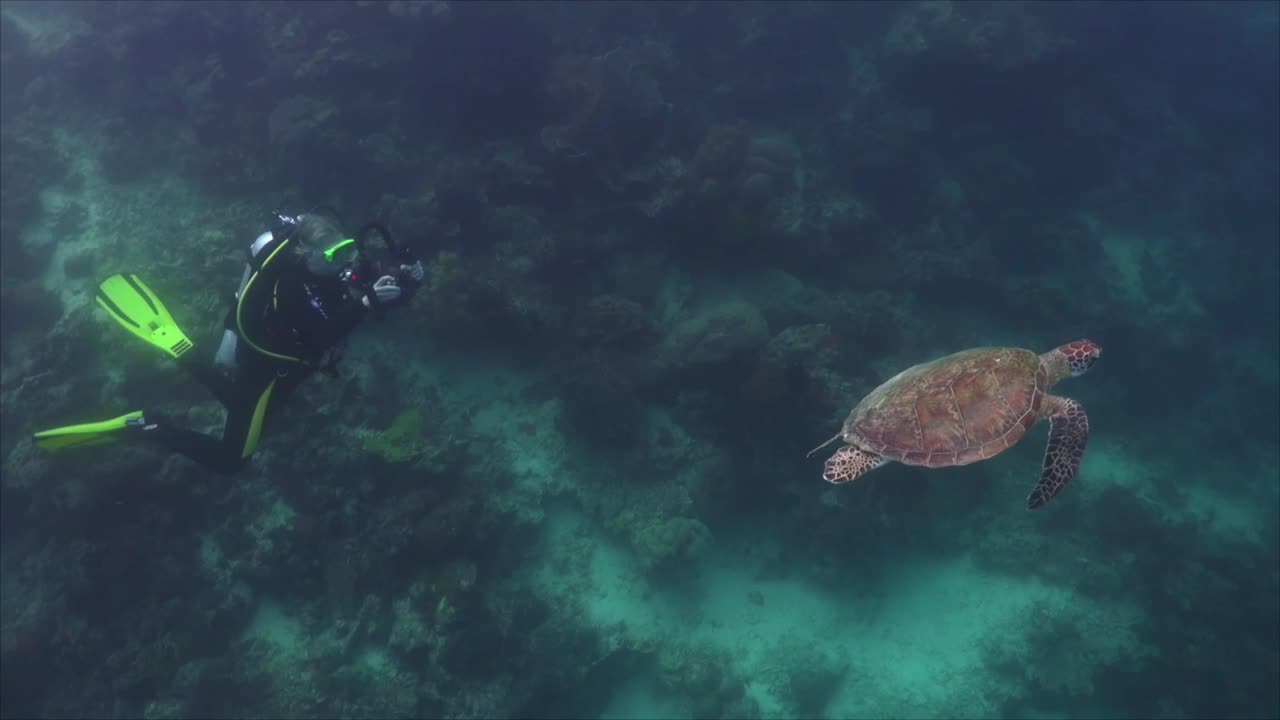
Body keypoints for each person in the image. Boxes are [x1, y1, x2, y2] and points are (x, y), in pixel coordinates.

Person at [33, 211, 425, 474]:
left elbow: (370, 282)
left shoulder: (334, 267)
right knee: (234, 460)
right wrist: (366, 303)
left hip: (274, 366)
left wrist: (407, 280)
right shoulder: (289, 285)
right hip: (270, 372)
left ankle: (183, 353)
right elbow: (315, 335)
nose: (342, 262)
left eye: (344, 250)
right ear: (302, 253)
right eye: (332, 254)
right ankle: (146, 427)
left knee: (233, 397)